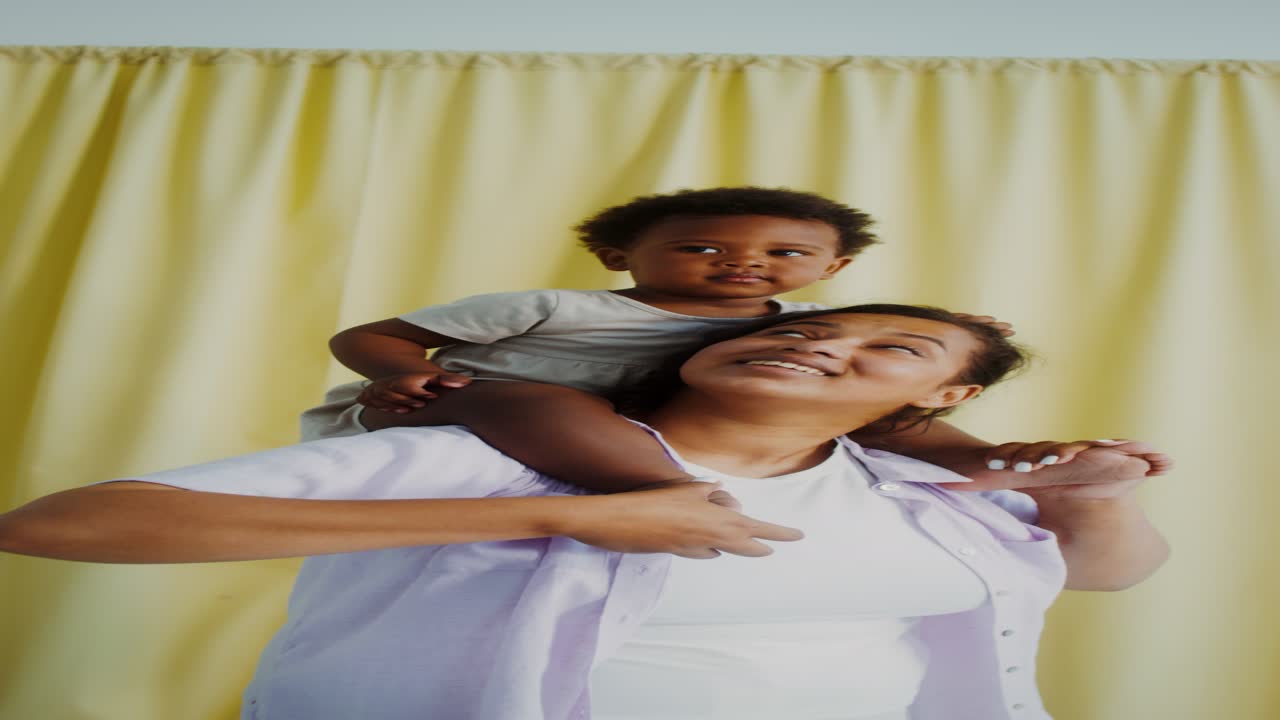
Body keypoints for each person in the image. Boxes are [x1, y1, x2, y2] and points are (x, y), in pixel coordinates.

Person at [0, 304, 1171, 720]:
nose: (820, 343)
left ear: (943, 396)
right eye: (801, 328)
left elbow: (1105, 574)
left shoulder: (921, 492)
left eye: (888, 348)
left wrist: (1097, 498)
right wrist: (553, 522)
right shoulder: (486, 454)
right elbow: (63, 523)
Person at [307, 186, 1017, 495]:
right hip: (455, 404)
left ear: (833, 268)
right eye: (701, 249)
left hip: (617, 421)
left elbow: (891, 339)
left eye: (787, 255)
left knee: (876, 410)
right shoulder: (552, 306)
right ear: (618, 256)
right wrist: (401, 373)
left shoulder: (793, 327)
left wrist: (972, 331)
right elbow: (370, 334)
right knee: (541, 404)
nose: (744, 264)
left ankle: (1001, 466)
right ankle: (677, 490)